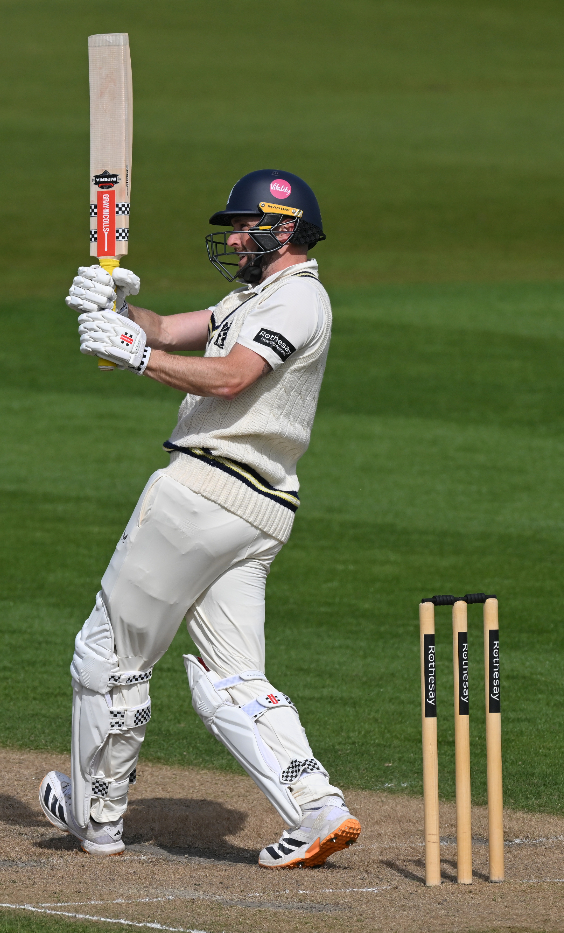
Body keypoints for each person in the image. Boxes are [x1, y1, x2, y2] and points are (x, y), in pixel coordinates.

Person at [38, 169, 359, 869]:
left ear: (285, 230)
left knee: (109, 656)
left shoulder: (299, 299)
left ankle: (96, 817)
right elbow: (169, 329)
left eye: (246, 227)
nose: (235, 238)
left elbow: (234, 375)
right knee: (230, 676)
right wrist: (121, 306)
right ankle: (316, 808)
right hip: (260, 510)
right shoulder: (255, 297)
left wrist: (138, 356)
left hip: (202, 494)